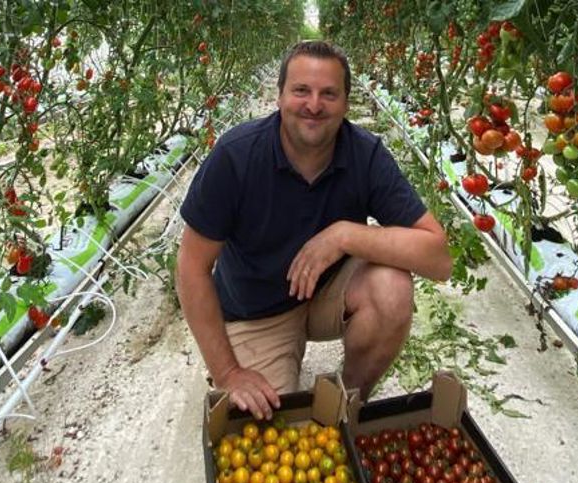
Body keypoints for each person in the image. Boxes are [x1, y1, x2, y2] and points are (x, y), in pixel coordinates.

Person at [176, 41, 451, 420]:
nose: (314, 105)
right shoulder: (236, 156)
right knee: (267, 432)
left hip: (326, 295)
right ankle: (258, 362)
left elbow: (438, 259)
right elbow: (191, 267)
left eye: (329, 94)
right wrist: (229, 373)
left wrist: (343, 235)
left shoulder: (364, 154)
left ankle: (347, 403)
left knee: (392, 287)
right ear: (279, 96)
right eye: (301, 90)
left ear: (346, 103)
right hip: (255, 314)